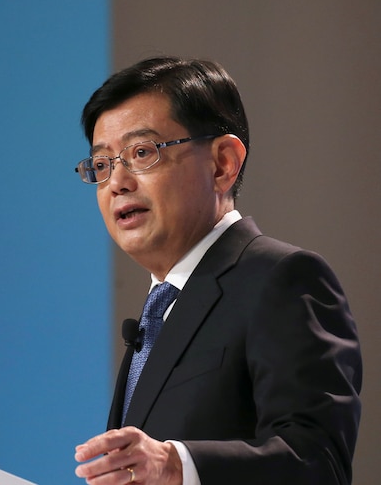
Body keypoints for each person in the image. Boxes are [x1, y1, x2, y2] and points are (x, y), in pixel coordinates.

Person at [71, 57, 361, 485]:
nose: (117, 182)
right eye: (102, 164)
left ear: (223, 163)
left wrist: (177, 465)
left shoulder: (282, 278)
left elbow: (319, 462)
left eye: (141, 153)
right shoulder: (160, 310)